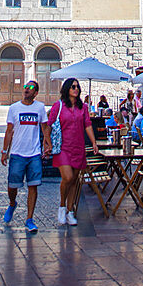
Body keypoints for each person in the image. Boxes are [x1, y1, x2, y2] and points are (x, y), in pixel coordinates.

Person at [1, 79, 51, 233]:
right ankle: (12, 203)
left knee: (33, 186)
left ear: (35, 93)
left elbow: (44, 127)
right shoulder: (14, 108)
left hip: (34, 153)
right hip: (17, 153)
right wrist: (4, 151)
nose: (26, 89)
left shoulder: (40, 107)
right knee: (12, 186)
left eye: (30, 88)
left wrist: (47, 144)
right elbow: (9, 130)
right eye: (25, 87)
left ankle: (29, 219)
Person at [48, 77, 99, 226]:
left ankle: (70, 212)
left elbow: (88, 125)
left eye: (77, 87)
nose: (76, 89)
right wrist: (48, 143)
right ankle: (62, 206)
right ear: (67, 89)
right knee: (68, 178)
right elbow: (49, 125)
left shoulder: (82, 107)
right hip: (63, 147)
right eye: (73, 87)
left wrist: (94, 142)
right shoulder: (58, 106)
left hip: (78, 147)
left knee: (75, 181)